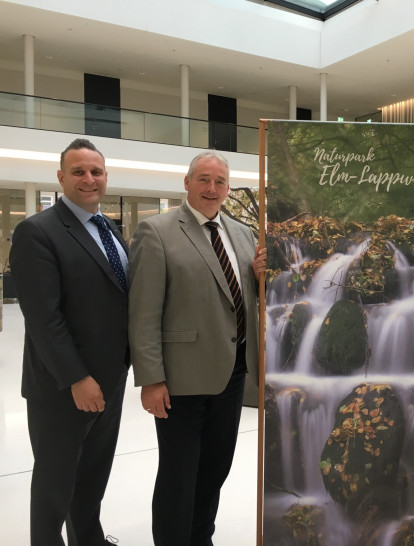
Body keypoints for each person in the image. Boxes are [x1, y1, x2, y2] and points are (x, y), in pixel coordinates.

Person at [128, 150, 266, 545]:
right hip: (181, 377)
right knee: (178, 473)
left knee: (215, 469)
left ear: (227, 188)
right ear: (187, 183)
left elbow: (244, 297)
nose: (211, 188)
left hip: (233, 372)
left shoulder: (242, 233)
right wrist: (151, 379)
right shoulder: (157, 231)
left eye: (220, 181)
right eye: (203, 179)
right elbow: (143, 313)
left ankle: (201, 538)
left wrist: (261, 279)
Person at [9, 138, 129, 546]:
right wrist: (77, 378)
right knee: (54, 486)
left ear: (106, 177)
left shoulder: (109, 228)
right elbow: (44, 319)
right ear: (61, 178)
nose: (88, 178)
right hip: (63, 388)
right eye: (78, 171)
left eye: (96, 171)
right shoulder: (36, 232)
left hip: (110, 381)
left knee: (92, 478)